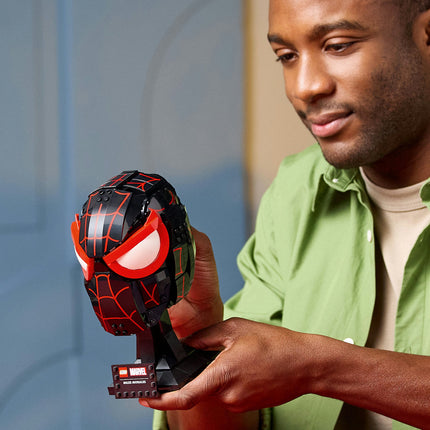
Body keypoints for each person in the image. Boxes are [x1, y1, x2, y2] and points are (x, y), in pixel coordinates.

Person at [141, 0, 430, 428]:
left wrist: (320, 367)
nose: (305, 87)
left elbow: (309, 367)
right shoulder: (296, 189)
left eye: (338, 45)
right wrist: (193, 338)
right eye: (287, 56)